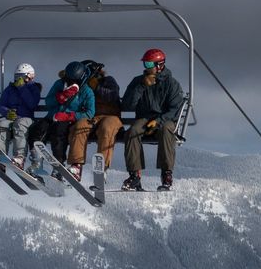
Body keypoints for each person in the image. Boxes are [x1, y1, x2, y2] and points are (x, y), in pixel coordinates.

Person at [121, 48, 185, 192]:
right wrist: (141, 86)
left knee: (167, 130)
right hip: (144, 119)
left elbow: (175, 108)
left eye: (149, 65)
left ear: (160, 65)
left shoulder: (171, 84)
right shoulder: (138, 82)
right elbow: (127, 104)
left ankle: (166, 174)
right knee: (133, 131)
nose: (147, 68)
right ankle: (134, 176)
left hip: (164, 119)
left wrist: (159, 121)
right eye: (145, 64)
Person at [33, 61, 96, 179]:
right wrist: (60, 97)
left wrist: (70, 116)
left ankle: (58, 164)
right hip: (52, 116)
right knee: (38, 130)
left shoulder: (86, 91)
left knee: (58, 133)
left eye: (73, 80)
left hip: (67, 120)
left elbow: (90, 112)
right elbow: (48, 101)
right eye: (68, 79)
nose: (70, 82)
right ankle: (36, 162)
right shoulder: (59, 84)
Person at [67, 59, 123, 175]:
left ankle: (102, 167)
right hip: (93, 118)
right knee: (80, 125)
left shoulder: (108, 80)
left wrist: (97, 86)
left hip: (111, 116)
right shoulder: (82, 87)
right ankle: (76, 165)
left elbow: (112, 95)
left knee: (106, 128)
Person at [0, 63, 43, 171]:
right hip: (11, 117)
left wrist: (22, 88)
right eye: (16, 77)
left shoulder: (34, 89)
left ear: (29, 77)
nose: (18, 80)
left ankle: (19, 157)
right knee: (1, 124)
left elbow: (32, 104)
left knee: (20, 125)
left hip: (26, 118)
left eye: (21, 77)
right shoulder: (10, 89)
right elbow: (1, 105)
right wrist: (7, 112)